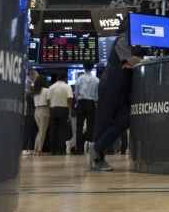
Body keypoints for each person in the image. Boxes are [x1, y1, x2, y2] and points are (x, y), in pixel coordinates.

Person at [86, 19, 143, 172]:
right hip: (110, 87)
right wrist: (137, 61)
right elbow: (131, 60)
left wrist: (137, 62)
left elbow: (133, 62)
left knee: (124, 120)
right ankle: (98, 159)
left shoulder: (137, 44)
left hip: (124, 90)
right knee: (104, 121)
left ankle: (96, 148)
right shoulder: (123, 40)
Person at [71, 62, 99, 155]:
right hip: (91, 104)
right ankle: (89, 148)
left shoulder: (79, 79)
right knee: (91, 126)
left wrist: (78, 100)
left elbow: (76, 93)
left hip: (81, 103)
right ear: (92, 67)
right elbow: (98, 94)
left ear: (83, 67)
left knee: (79, 126)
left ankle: (79, 149)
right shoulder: (96, 80)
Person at [47, 72, 73, 156]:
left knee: (53, 130)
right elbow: (69, 101)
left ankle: (53, 150)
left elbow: (48, 100)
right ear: (65, 78)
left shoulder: (51, 87)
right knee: (62, 130)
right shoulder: (67, 87)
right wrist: (69, 113)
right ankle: (61, 150)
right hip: (63, 109)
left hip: (53, 109)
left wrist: (49, 111)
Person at [31, 75, 50, 156]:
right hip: (44, 110)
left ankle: (35, 149)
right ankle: (39, 151)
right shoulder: (46, 90)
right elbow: (49, 102)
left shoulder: (36, 91)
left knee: (40, 131)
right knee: (42, 131)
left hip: (36, 111)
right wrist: (50, 111)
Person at [21, 68, 39, 154]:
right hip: (27, 111)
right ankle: (24, 148)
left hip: (31, 111)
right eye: (36, 76)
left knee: (31, 130)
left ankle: (29, 147)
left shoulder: (31, 85)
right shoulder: (27, 85)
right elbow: (27, 98)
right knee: (27, 130)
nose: (37, 78)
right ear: (31, 75)